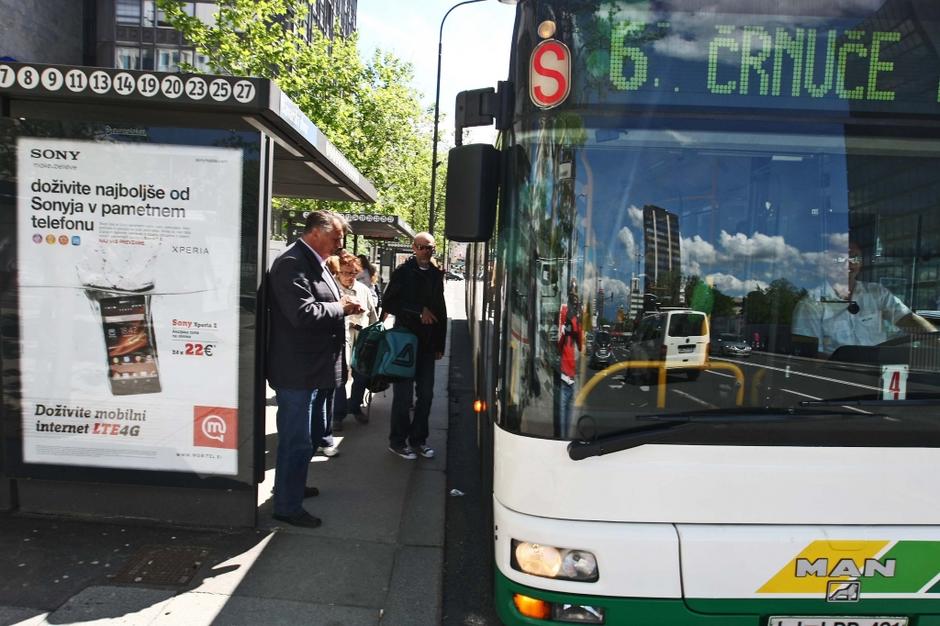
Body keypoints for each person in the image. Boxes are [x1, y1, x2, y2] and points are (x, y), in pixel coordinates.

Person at [266, 210, 362, 527]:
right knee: (296, 440)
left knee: (304, 439)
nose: (339, 244)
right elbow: (302, 312)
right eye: (336, 238)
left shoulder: (313, 261)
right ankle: (287, 506)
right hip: (296, 372)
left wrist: (343, 305)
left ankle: (292, 489)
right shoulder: (292, 262)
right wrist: (342, 307)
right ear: (316, 233)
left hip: (312, 368)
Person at [792, 241, 933, 357]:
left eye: (855, 258)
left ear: (861, 264)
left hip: (880, 374)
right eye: (839, 259)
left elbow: (907, 319)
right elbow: (810, 357)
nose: (848, 264)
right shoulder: (811, 304)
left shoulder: (877, 293)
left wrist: (936, 340)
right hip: (837, 379)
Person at [381, 232, 447, 460]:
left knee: (426, 395)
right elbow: (388, 302)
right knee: (403, 396)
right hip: (404, 342)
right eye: (423, 247)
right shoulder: (403, 273)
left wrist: (440, 343)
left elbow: (441, 310)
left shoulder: (436, 275)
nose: (426, 252)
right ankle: (397, 441)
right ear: (414, 248)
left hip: (428, 344)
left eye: (430, 248)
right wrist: (418, 310)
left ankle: (419, 440)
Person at [333, 252, 379, 431]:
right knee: (340, 377)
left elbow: (373, 319)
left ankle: (355, 406)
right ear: (338, 272)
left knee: (361, 375)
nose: (349, 277)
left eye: (353, 273)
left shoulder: (364, 290)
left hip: (361, 340)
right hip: (339, 339)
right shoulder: (332, 288)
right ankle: (338, 414)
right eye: (345, 272)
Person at [556, 280, 583, 438]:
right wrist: (568, 325)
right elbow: (560, 341)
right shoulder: (565, 310)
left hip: (574, 372)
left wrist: (575, 323)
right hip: (566, 372)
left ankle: (565, 437)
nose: (574, 297)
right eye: (572, 293)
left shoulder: (577, 313)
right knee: (565, 410)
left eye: (575, 293)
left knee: (569, 410)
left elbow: (581, 344)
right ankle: (562, 438)